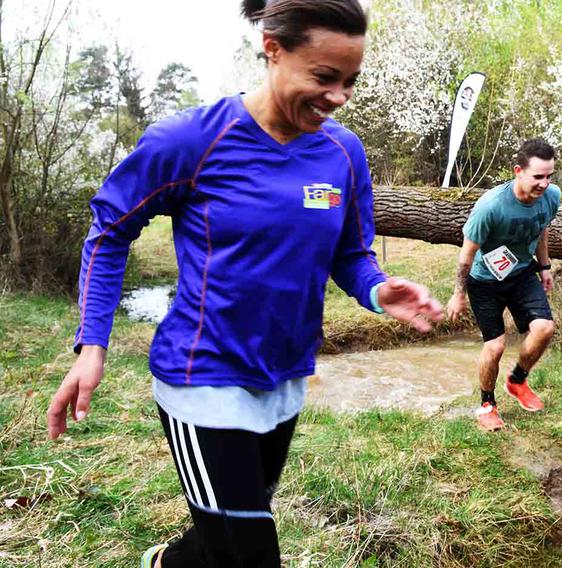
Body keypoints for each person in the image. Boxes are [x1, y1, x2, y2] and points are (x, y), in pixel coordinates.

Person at [45, 1, 443, 566]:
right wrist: (92, 345)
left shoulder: (343, 154)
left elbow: (351, 255)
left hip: (284, 375)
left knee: (222, 538)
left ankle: (164, 563)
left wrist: (378, 290)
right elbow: (110, 231)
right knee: (252, 554)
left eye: (350, 81)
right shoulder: (190, 140)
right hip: (201, 376)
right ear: (273, 48)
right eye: (324, 77)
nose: (339, 98)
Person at [446, 138, 561, 431]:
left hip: (522, 273)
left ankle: (517, 381)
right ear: (518, 171)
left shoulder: (551, 197)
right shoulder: (491, 206)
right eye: (538, 176)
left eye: (549, 176)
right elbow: (467, 254)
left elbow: (542, 228)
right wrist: (458, 294)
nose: (545, 184)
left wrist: (545, 266)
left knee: (544, 328)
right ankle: (487, 404)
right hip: (484, 281)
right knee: (495, 346)